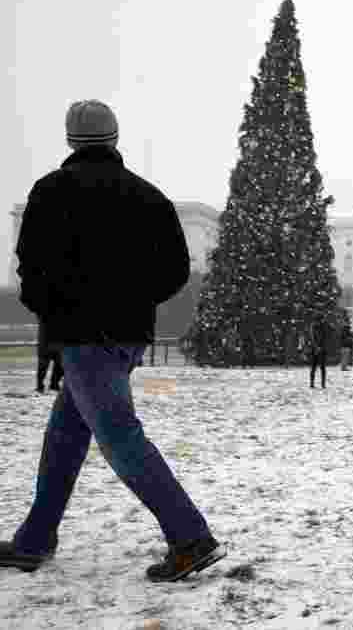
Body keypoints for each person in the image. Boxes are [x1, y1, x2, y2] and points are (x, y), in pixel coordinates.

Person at [0, 100, 225, 581]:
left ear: (70, 140)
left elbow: (31, 272)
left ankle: (190, 537)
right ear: (115, 137)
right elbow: (175, 272)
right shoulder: (148, 196)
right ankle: (34, 539)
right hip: (127, 335)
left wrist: (61, 313)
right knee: (64, 435)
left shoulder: (50, 192)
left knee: (121, 438)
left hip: (83, 337)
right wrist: (132, 304)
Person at [35, 319, 64, 394]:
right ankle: (47, 385)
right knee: (45, 366)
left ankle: (49, 385)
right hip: (50, 343)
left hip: (51, 343)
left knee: (58, 365)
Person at [307, 317, 331, 389]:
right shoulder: (314, 327)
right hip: (315, 349)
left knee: (321, 367)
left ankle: (322, 384)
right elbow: (312, 338)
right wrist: (316, 347)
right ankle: (313, 383)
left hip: (321, 349)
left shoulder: (323, 327)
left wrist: (320, 347)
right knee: (314, 367)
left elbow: (326, 337)